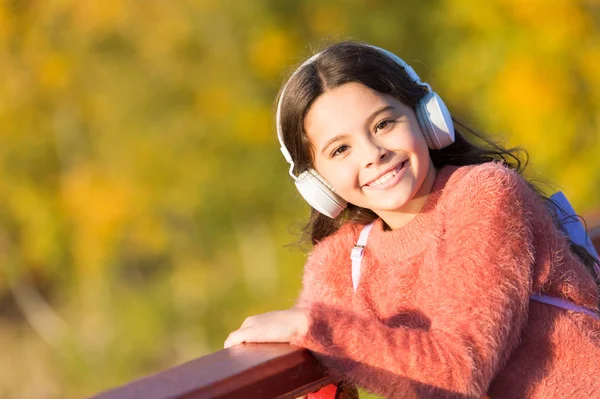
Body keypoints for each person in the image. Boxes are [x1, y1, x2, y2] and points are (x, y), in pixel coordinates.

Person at [224, 41, 600, 398]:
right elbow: (310, 346)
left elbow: (461, 370)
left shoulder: (485, 195)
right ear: (316, 183)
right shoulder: (344, 261)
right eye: (340, 149)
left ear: (425, 118)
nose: (373, 154)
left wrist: (311, 328)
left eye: (383, 124)